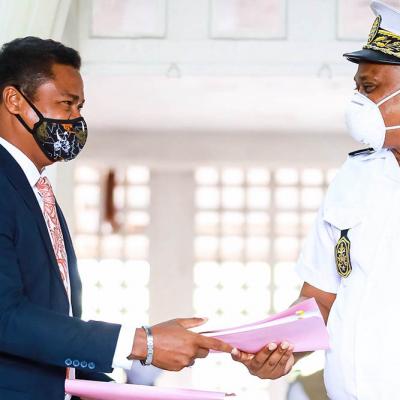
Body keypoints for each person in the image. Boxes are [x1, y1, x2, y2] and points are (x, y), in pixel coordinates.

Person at [0, 36, 232, 400]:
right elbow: (6, 317)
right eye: (66, 104)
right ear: (15, 101)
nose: (76, 119)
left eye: (80, 106)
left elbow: (52, 344)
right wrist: (141, 343)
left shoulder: (33, 188)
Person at [232, 1, 400, 398]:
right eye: (358, 88)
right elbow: (321, 300)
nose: (358, 101)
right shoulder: (354, 179)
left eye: (370, 88)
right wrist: (280, 350)